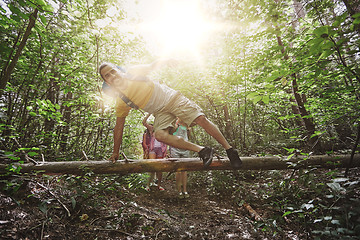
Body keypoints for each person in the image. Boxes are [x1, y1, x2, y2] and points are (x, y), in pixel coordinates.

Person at [99, 59, 242, 169]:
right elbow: (119, 127)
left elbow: (152, 65)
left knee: (200, 118)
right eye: (107, 76)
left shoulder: (133, 72)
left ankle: (230, 150)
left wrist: (167, 60)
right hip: (160, 112)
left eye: (113, 71)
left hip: (171, 98)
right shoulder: (121, 101)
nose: (112, 75)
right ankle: (203, 151)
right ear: (108, 83)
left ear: (118, 70)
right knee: (160, 135)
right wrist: (115, 152)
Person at [142, 114, 167, 191]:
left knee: (159, 169)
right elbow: (143, 122)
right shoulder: (152, 128)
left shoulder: (164, 128)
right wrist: (149, 114)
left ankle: (159, 185)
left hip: (161, 149)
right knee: (152, 167)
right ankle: (148, 185)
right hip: (153, 149)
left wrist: (165, 151)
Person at [170, 118, 191, 199]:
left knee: (184, 171)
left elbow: (188, 135)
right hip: (175, 148)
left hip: (185, 148)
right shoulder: (174, 124)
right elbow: (171, 133)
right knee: (178, 171)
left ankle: (185, 190)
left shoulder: (187, 124)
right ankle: (179, 191)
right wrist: (176, 123)